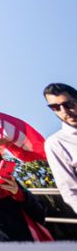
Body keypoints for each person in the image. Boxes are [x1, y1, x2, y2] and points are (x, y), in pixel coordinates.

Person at [43, 82, 77, 215]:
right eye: (55, 107)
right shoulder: (56, 143)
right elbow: (69, 190)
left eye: (69, 104)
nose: (64, 111)